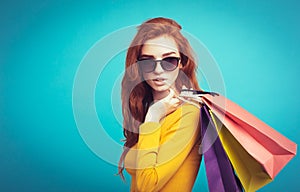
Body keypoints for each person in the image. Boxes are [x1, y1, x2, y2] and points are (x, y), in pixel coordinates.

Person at [118, 17, 202, 192]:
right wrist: (153, 114)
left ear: (182, 63)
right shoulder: (149, 109)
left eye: (169, 61)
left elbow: (147, 186)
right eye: (148, 61)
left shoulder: (188, 114)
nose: (158, 70)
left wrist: (153, 117)